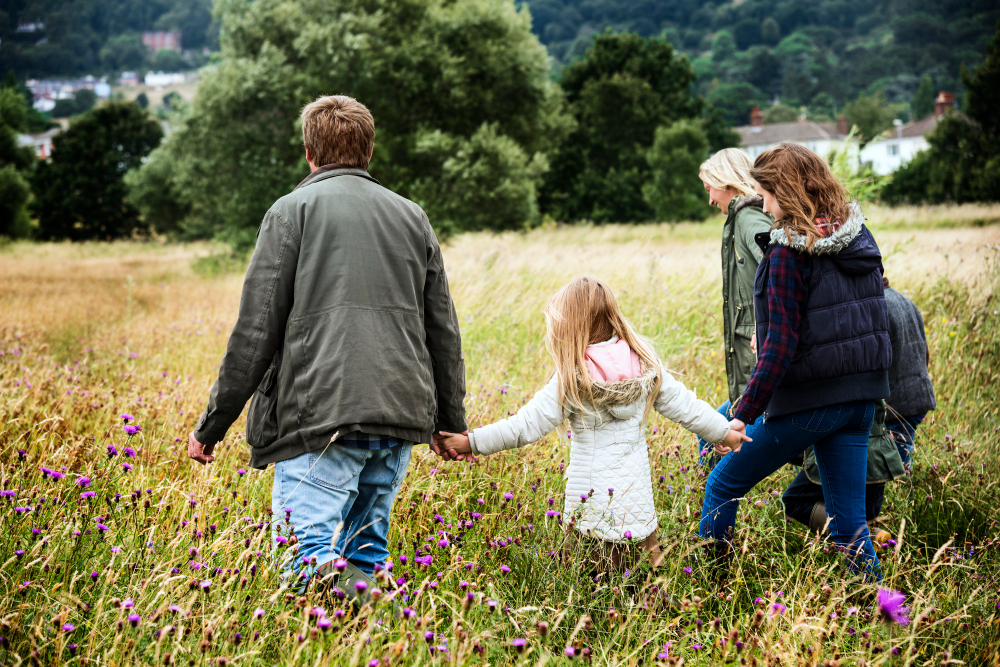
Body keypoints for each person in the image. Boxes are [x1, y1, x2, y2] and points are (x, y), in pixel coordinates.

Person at [186, 95, 467, 596]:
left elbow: (255, 331)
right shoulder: (412, 216)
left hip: (320, 416)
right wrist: (451, 421)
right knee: (366, 555)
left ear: (309, 153)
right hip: (399, 414)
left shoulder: (290, 211)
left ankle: (352, 624)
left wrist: (213, 425)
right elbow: (442, 330)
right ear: (368, 151)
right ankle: (381, 627)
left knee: (305, 559)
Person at [436, 276, 749, 572]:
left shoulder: (573, 377)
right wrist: (724, 432)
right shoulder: (644, 362)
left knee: (590, 581)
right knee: (647, 577)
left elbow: (523, 426)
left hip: (590, 504)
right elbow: (687, 407)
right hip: (637, 502)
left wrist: (471, 442)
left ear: (569, 326)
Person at [699, 142, 892, 579]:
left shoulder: (788, 251)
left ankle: (712, 590)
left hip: (811, 402)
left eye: (767, 193)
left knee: (722, 484)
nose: (764, 204)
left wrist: (742, 415)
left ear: (784, 191)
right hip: (862, 401)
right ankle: (887, 611)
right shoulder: (858, 237)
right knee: (849, 527)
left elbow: (781, 345)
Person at [695, 148, 773, 467]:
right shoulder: (742, 217)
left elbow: (780, 268)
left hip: (762, 358)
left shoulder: (748, 218)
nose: (710, 200)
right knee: (710, 434)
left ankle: (714, 489)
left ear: (725, 182)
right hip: (758, 356)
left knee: (713, 437)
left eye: (710, 189)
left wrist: (769, 325)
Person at [882, 276, 936, 471]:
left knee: (896, 473)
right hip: (918, 395)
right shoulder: (905, 300)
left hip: (899, 406)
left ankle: (905, 487)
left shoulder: (878, 307)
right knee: (901, 464)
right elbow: (925, 353)